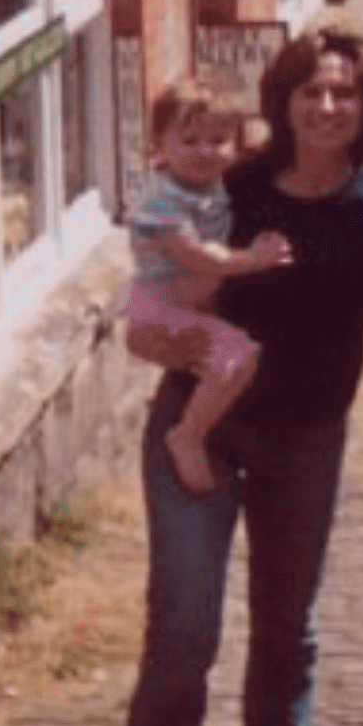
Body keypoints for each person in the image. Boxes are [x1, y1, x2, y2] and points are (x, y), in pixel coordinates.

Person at [119, 23, 363, 726]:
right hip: (201, 429)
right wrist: (170, 326)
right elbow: (153, 302)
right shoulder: (231, 187)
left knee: (287, 626)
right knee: (185, 626)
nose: (326, 106)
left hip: (309, 436)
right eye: (310, 91)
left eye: (345, 93)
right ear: (282, 102)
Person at [126, 77, 294, 495]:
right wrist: (254, 260)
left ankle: (199, 420)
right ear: (159, 146)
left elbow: (256, 146)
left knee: (226, 359)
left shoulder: (209, 182)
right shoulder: (161, 200)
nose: (205, 151)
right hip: (162, 309)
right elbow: (197, 257)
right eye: (189, 140)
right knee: (237, 356)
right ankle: (188, 435)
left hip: (192, 305)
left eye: (218, 139)